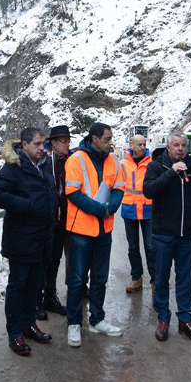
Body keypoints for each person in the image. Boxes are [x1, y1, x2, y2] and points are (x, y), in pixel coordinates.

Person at [0, 127, 57, 356]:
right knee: (18, 287)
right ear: (24, 145)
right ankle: (15, 332)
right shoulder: (14, 168)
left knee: (33, 286)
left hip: (41, 239)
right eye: (37, 144)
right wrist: (25, 205)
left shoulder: (43, 166)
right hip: (21, 240)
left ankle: (29, 324)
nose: (42, 148)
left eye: (43, 144)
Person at [143, 132, 191, 342]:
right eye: (176, 145)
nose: (180, 149)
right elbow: (149, 191)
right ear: (168, 147)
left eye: (183, 145)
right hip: (163, 234)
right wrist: (171, 172)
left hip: (186, 235)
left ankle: (185, 320)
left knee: (185, 278)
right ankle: (163, 319)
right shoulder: (156, 166)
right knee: (161, 278)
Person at [63, 122, 125, 346]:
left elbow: (119, 187)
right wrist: (100, 209)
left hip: (103, 231)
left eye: (111, 139)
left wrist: (112, 207)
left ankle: (97, 319)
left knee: (100, 278)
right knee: (77, 280)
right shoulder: (76, 160)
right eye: (107, 139)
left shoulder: (113, 160)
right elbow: (72, 192)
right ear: (94, 139)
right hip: (80, 231)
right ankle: (73, 323)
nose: (110, 143)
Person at [40, 124, 73, 318]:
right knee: (43, 258)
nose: (67, 144)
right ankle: (37, 298)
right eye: (63, 141)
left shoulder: (71, 160)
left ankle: (50, 295)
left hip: (64, 218)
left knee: (55, 258)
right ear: (53, 143)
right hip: (48, 218)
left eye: (68, 141)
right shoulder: (44, 161)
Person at [120, 134, 155, 294]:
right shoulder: (123, 164)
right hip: (130, 211)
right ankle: (136, 278)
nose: (142, 147)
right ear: (131, 145)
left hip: (148, 210)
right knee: (133, 247)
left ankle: (155, 280)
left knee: (151, 247)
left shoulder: (152, 163)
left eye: (144, 144)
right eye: (139, 144)